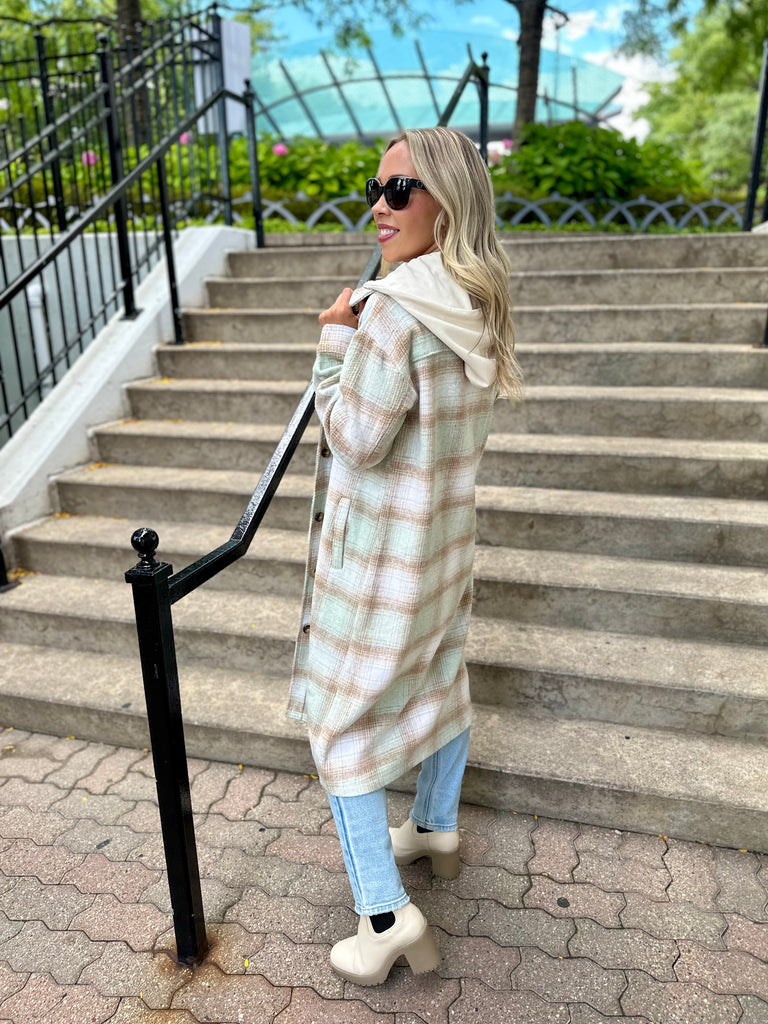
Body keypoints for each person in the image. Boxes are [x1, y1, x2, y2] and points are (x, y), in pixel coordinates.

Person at [287, 126, 523, 986]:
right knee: (438, 677)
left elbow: (354, 438)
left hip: (383, 559)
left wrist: (332, 343)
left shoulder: (393, 310)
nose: (379, 210)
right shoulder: (474, 300)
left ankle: (385, 917)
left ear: (446, 203)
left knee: (340, 727)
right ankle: (434, 825)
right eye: (375, 190)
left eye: (398, 192)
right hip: (443, 546)